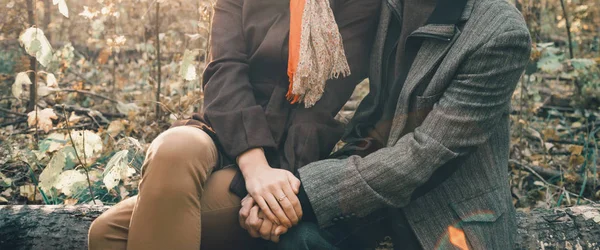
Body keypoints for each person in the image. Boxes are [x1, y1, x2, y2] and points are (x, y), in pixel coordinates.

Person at [239, 0, 532, 249]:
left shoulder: (500, 32)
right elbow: (378, 119)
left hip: (450, 216)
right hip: (376, 192)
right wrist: (280, 197)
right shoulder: (387, 6)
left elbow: (427, 156)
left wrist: (304, 194)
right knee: (292, 238)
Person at [86, 0, 380, 248]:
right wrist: (254, 167)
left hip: (284, 152)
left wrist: (276, 191)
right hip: (222, 124)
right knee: (174, 148)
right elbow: (224, 69)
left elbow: (316, 110)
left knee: (108, 234)